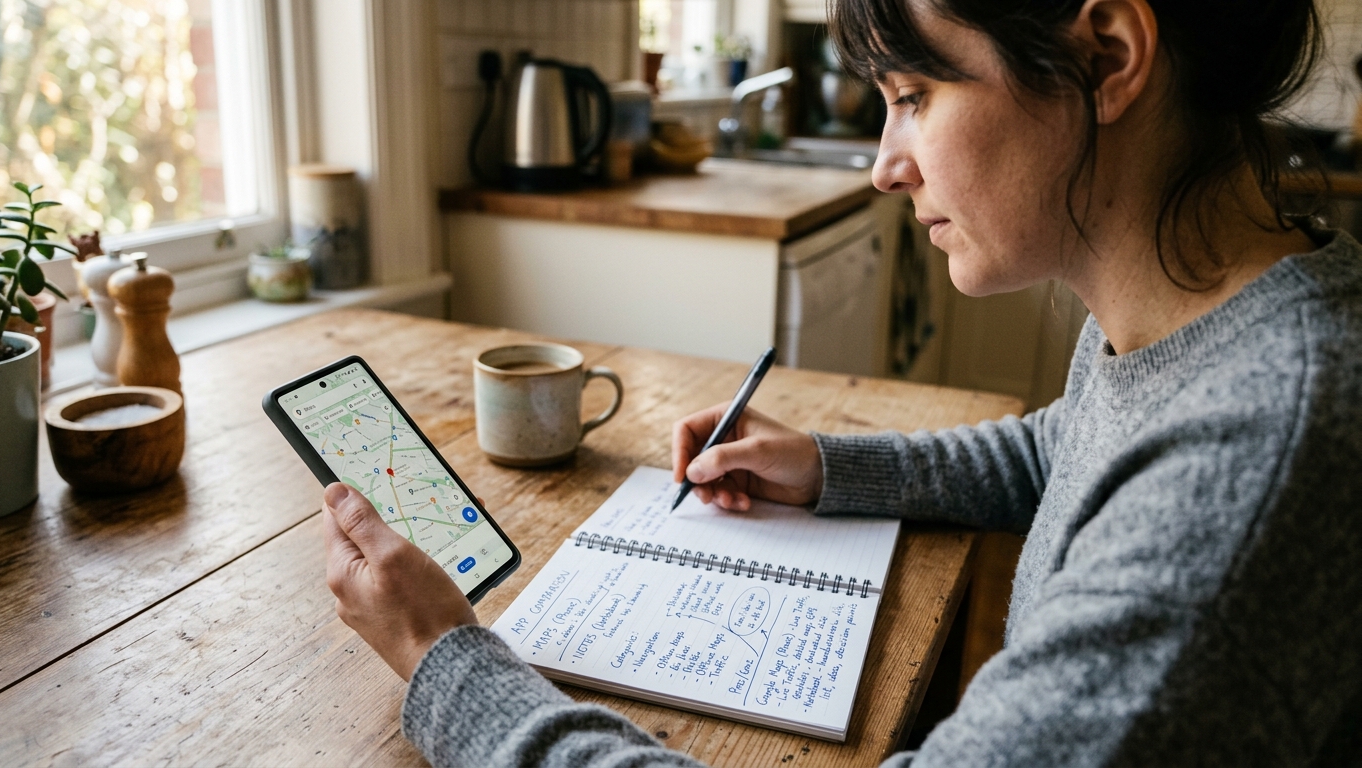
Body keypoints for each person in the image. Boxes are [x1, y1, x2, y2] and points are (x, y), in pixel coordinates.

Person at [320, 0, 1362, 764]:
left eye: (912, 96)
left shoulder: (1258, 449)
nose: (883, 162)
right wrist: (828, 466)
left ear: (1105, 55)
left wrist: (446, 660)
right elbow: (1070, 449)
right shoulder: (1203, 308)